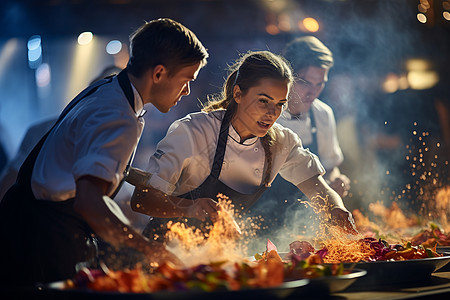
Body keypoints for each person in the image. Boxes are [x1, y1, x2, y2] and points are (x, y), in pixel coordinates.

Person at [0, 18, 208, 286]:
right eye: (187, 80)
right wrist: (149, 249)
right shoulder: (118, 117)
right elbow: (89, 203)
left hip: (34, 226)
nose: (187, 90)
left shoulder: (108, 89)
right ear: (158, 74)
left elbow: (87, 158)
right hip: (43, 237)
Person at [126, 50, 357, 243]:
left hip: (219, 257)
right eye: (263, 101)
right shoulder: (194, 131)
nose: (272, 113)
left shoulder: (281, 143)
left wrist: (336, 210)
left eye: (279, 104)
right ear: (238, 93)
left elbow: (319, 188)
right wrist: (189, 208)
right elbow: (142, 199)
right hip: (166, 253)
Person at [278, 36, 350, 198]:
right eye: (305, 83)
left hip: (307, 216)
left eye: (320, 84)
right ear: (287, 76)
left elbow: (330, 167)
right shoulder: (266, 114)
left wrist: (336, 181)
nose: (313, 93)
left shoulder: (322, 114)